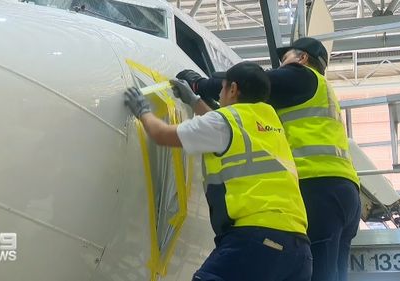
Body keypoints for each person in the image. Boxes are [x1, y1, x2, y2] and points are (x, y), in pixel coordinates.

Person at [176, 38, 361, 281]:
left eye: (284, 60)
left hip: (317, 186)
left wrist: (199, 85)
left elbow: (251, 83)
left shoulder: (302, 76)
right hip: (346, 194)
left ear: (302, 58)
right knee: (331, 275)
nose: (281, 66)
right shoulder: (322, 93)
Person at [124, 61, 312, 281]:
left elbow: (162, 134)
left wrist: (143, 110)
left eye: (222, 88)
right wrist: (194, 102)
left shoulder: (224, 122)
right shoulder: (271, 122)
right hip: (299, 252)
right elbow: (222, 128)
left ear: (233, 89)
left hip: (257, 241)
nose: (220, 94)